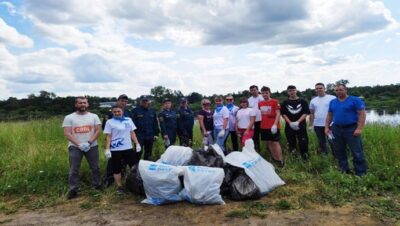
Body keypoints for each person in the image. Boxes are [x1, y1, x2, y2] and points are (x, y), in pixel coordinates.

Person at [62, 96, 101, 199]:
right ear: (76, 105)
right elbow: (67, 133)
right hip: (75, 147)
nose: (82, 105)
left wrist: (89, 142)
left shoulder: (94, 116)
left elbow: (98, 131)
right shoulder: (69, 117)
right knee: (74, 169)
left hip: (92, 146)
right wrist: (79, 144)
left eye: (84, 103)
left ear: (87, 104)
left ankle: (97, 186)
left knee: (95, 167)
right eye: (80, 103)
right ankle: (73, 189)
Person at [325, 83, 367, 176]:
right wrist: (327, 127)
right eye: (336, 90)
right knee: (339, 151)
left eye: (341, 90)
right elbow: (329, 115)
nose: (339, 92)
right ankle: (344, 170)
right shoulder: (333, 102)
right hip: (336, 129)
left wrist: (359, 128)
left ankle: (360, 173)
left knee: (357, 151)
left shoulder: (355, 100)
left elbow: (362, 114)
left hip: (351, 128)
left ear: (345, 90)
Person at [104, 105, 141, 194]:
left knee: (134, 166)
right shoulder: (109, 122)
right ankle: (119, 186)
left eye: (118, 111)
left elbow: (132, 133)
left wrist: (137, 143)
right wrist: (107, 149)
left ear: (122, 111)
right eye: (115, 112)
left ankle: (137, 183)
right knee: (116, 168)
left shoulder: (128, 120)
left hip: (128, 148)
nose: (117, 113)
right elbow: (108, 137)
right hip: (116, 149)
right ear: (112, 112)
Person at [103, 94, 133, 188]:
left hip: (126, 141)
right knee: (113, 161)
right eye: (122, 101)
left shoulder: (128, 112)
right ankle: (109, 178)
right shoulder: (111, 112)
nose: (123, 103)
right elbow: (106, 127)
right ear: (118, 101)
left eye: (125, 101)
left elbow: (131, 128)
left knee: (125, 160)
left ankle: (123, 176)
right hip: (114, 141)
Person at [281, 85, 310, 160]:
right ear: (288, 92)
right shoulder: (285, 102)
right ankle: (294, 158)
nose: (292, 92)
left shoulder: (303, 101)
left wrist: (297, 122)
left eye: (293, 90)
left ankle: (305, 158)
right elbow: (283, 114)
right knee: (291, 143)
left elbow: (305, 113)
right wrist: (290, 123)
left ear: (296, 91)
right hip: (289, 126)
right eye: (290, 91)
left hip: (301, 126)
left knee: (303, 142)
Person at [259, 86, 284, 167]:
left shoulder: (275, 101)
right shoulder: (260, 103)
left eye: (266, 93)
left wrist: (275, 125)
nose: (264, 94)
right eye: (263, 93)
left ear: (269, 93)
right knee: (269, 143)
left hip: (273, 126)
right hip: (264, 126)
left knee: (275, 142)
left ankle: (280, 160)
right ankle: (275, 159)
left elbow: (278, 113)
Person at [309, 83, 336, 155]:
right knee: (321, 142)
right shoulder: (313, 100)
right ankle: (324, 156)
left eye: (320, 88)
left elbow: (337, 110)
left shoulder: (332, 98)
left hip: (330, 125)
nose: (318, 90)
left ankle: (336, 157)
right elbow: (311, 113)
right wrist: (311, 125)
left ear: (324, 88)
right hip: (317, 125)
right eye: (317, 88)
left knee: (332, 141)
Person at [132, 95, 159, 160]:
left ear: (148, 101)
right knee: (138, 152)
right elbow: (132, 125)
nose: (145, 102)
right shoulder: (135, 111)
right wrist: (133, 136)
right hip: (139, 136)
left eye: (146, 101)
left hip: (150, 135)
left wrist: (156, 134)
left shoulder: (152, 111)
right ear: (140, 101)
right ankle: (136, 167)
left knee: (148, 152)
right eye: (143, 101)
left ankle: (145, 167)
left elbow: (155, 123)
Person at [248, 85, 263, 152]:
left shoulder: (262, 97)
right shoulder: (249, 99)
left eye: (255, 90)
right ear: (250, 91)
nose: (253, 91)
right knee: (255, 137)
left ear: (257, 90)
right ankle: (257, 150)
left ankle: (269, 151)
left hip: (263, 120)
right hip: (254, 121)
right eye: (252, 90)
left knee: (265, 136)